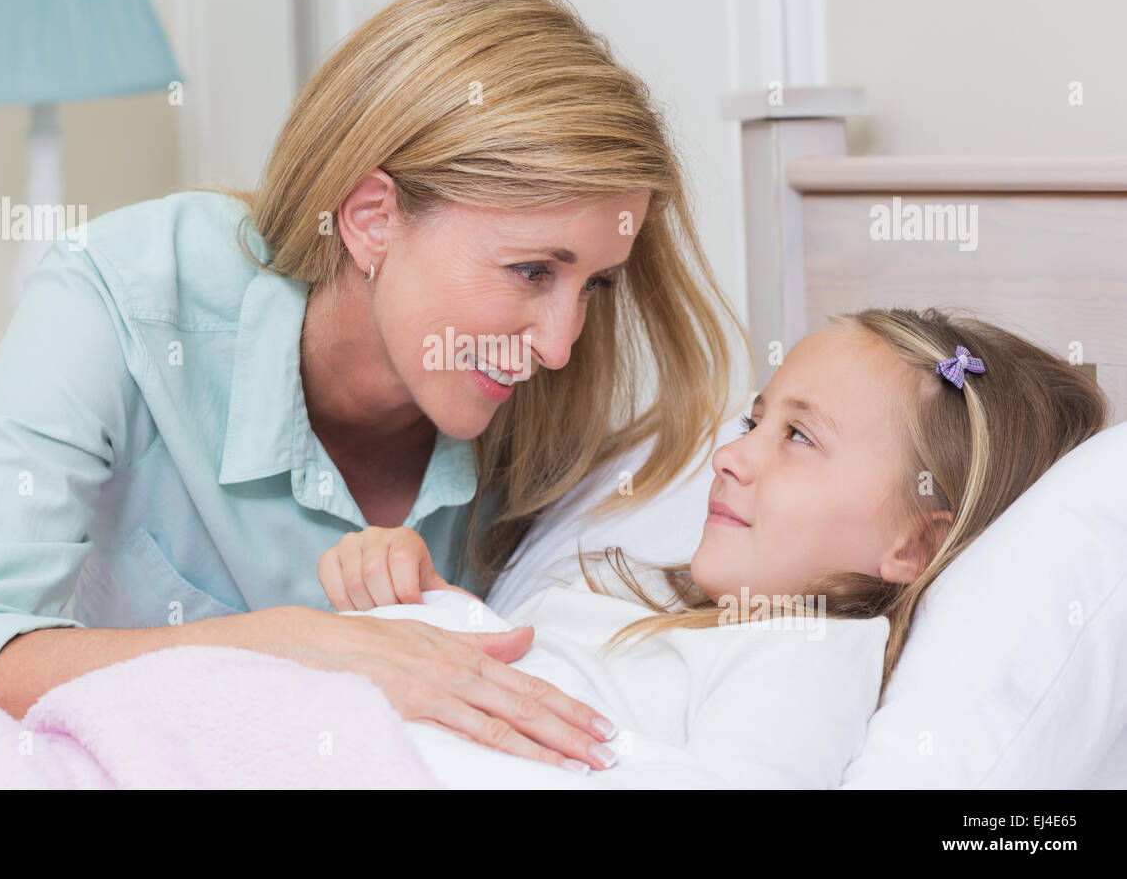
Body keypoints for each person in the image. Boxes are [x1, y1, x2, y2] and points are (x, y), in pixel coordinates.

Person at [0, 0, 744, 778]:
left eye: (594, 285)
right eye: (529, 273)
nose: (560, 343)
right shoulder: (122, 297)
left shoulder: (546, 407)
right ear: (371, 219)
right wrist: (289, 648)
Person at [318, 307, 1110, 783]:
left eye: (798, 436)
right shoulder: (654, 595)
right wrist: (418, 596)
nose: (732, 455)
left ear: (911, 543)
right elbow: (522, 669)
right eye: (753, 420)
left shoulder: (806, 653)